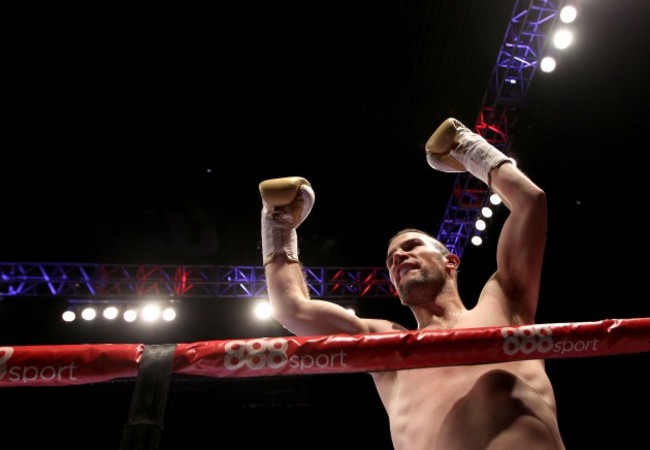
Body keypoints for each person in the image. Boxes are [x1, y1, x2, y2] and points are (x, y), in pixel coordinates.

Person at [259, 117, 565, 450]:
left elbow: (529, 203)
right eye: (391, 260)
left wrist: (468, 147)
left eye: (411, 247)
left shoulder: (503, 302)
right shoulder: (389, 346)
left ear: (450, 261)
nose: (398, 259)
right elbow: (291, 308)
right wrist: (277, 225)